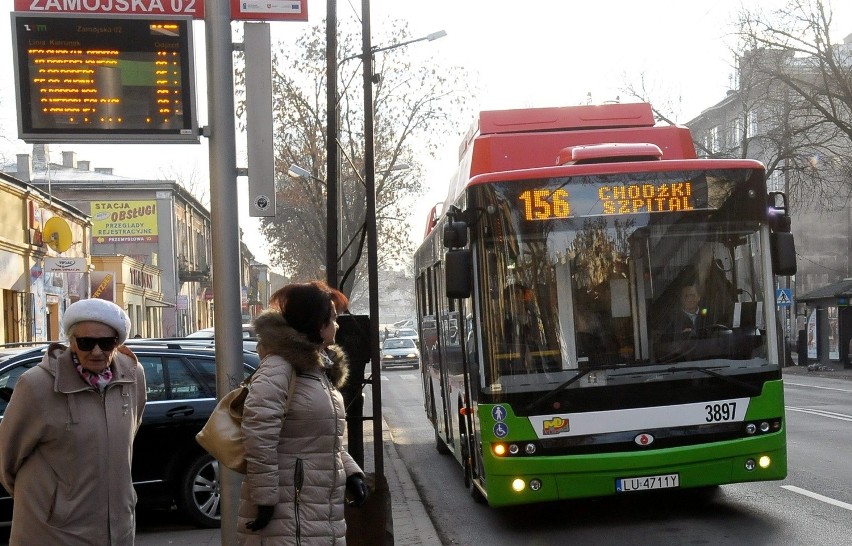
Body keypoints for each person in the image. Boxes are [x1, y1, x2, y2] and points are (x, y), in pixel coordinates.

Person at [0, 298, 146, 545]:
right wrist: (56, 504)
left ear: (118, 343)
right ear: (72, 342)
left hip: (118, 529)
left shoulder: (133, 377)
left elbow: (128, 436)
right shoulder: (37, 385)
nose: (97, 351)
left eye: (106, 343)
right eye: (86, 343)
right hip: (53, 533)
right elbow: (6, 459)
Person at [238, 282, 368, 544]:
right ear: (317, 322)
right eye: (333, 318)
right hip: (290, 512)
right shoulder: (279, 367)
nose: (338, 325)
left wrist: (351, 473)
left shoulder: (317, 369)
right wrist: (264, 499)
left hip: (316, 509)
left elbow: (324, 436)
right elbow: (259, 435)